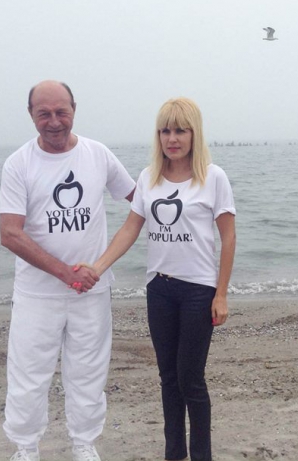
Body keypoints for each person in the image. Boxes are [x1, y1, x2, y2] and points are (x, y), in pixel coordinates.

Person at [85, 97, 236, 461]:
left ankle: (201, 455)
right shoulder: (148, 179)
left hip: (199, 291)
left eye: (181, 130)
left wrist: (221, 294)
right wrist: (97, 267)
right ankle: (174, 453)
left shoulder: (213, 177)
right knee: (168, 377)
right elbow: (129, 229)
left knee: (190, 378)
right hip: (159, 289)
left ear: (194, 134)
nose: (172, 138)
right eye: (165, 130)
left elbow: (228, 237)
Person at [0, 80, 135, 461]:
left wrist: (190, 195)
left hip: (91, 292)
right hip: (37, 295)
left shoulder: (98, 154)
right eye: (44, 114)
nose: (54, 121)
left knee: (89, 373)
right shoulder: (19, 164)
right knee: (28, 375)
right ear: (31, 115)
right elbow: (10, 233)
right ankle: (26, 447)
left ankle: (84, 443)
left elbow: (140, 201)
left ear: (74, 109)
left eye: (62, 112)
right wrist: (65, 273)